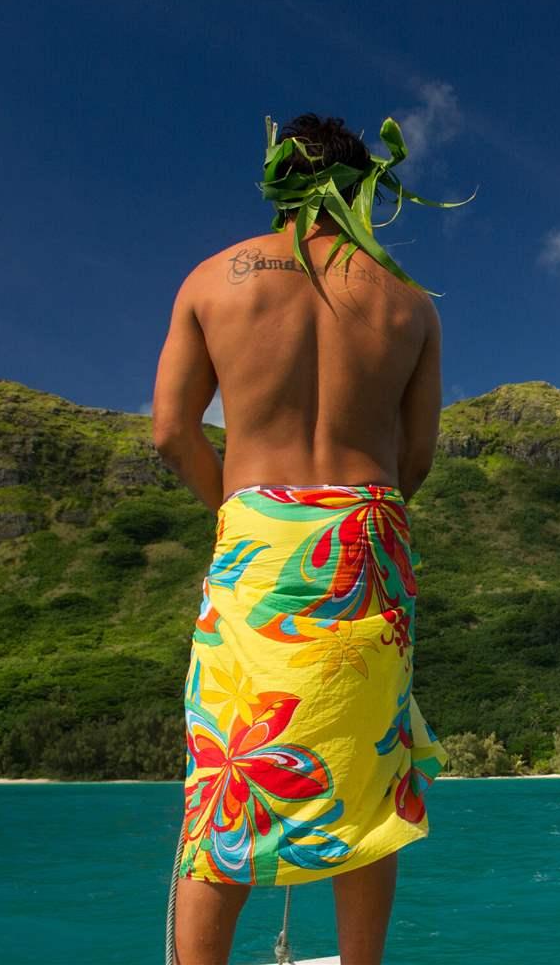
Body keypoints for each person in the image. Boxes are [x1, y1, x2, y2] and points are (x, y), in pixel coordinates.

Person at [152, 113, 451, 965]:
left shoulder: (214, 280)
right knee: (371, 773)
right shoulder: (408, 304)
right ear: (366, 190)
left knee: (228, 782)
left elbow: (173, 431)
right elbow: (416, 458)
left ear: (281, 180)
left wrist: (242, 514)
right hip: (367, 537)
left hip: (256, 535)